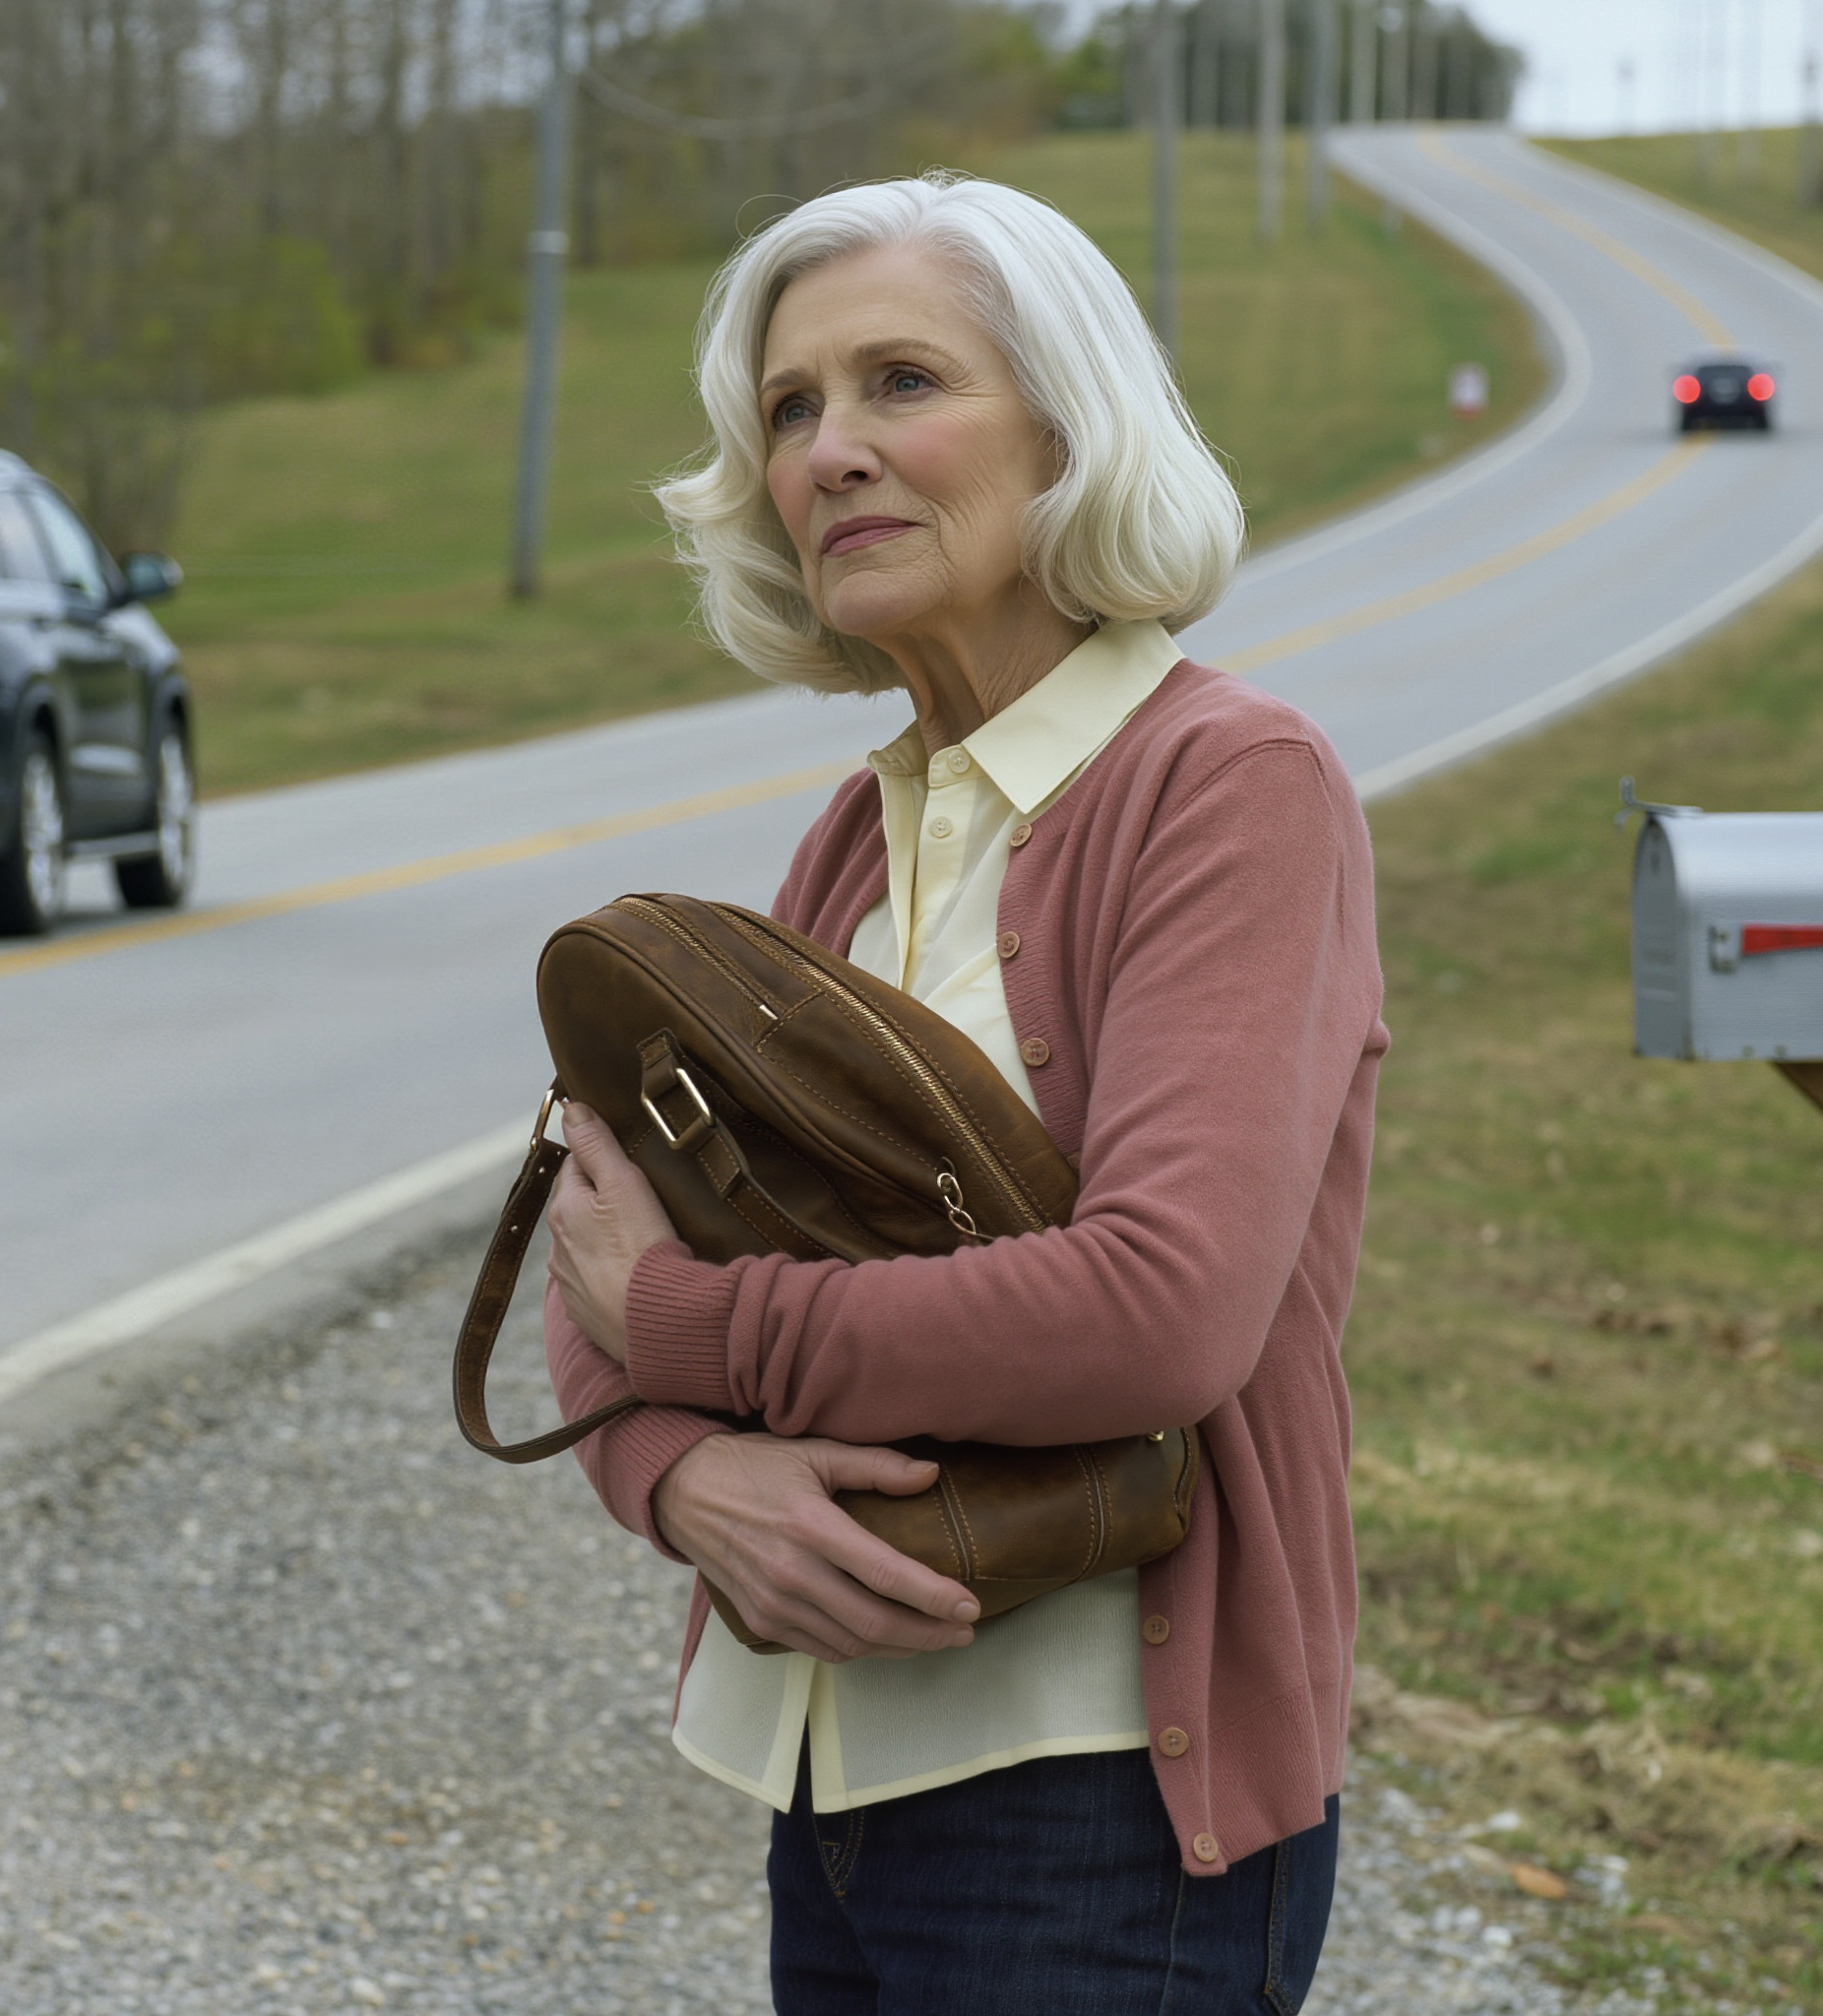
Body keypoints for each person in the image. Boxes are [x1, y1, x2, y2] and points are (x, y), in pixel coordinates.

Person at [542, 171, 1386, 2015]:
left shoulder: (1229, 787)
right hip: (827, 1792)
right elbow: (592, 1267)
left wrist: (698, 1331)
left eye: (902, 382)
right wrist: (681, 1480)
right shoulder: (858, 836)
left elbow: (1162, 1311)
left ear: (1068, 428)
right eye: (790, 409)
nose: (833, 449)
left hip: (1097, 1815)